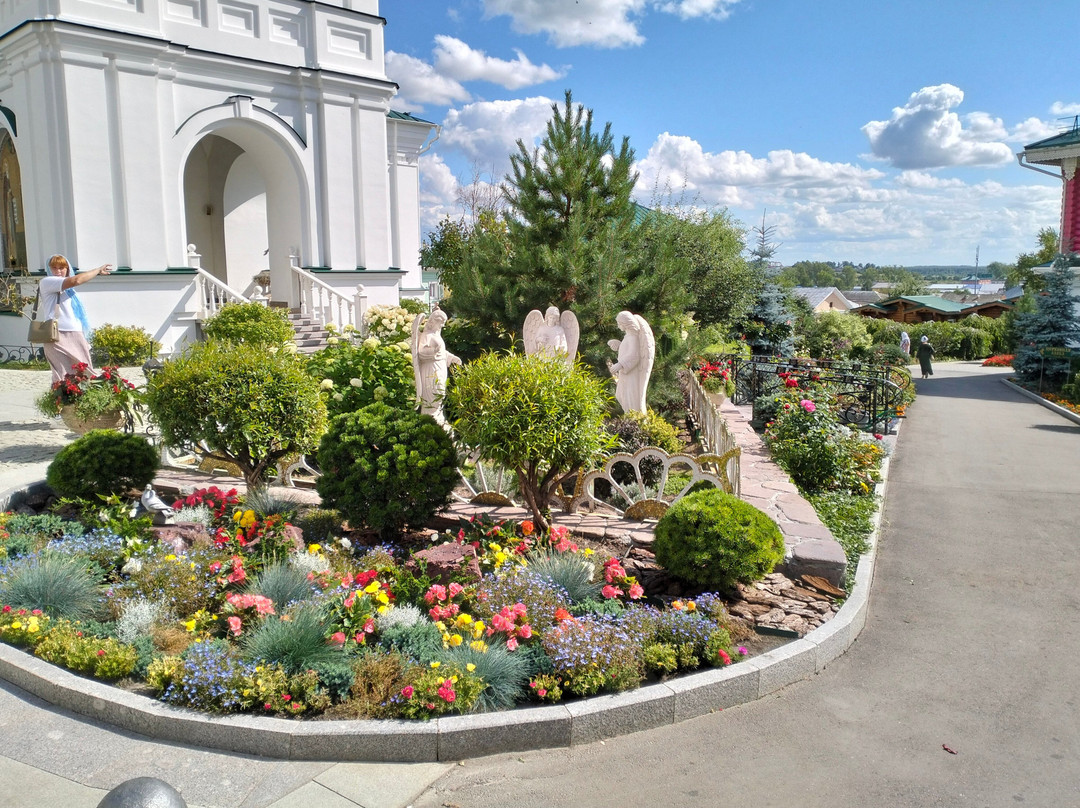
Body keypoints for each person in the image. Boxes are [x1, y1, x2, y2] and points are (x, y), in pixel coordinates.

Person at [36, 254, 112, 383]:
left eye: (62, 267)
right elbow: (76, 280)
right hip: (56, 334)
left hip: (74, 333)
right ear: (49, 269)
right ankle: (60, 402)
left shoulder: (69, 290)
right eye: (54, 268)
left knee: (85, 372)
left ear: (67, 268)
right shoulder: (48, 282)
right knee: (63, 376)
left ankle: (84, 402)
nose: (58, 271)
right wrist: (98, 270)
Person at [410, 309, 461, 425]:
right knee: (433, 393)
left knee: (440, 393)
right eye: (440, 322)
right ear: (433, 321)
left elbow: (442, 352)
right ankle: (431, 419)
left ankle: (438, 417)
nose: (442, 325)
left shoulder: (436, 335)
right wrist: (434, 350)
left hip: (440, 367)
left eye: (443, 322)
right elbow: (421, 352)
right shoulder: (426, 335)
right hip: (430, 369)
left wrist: (451, 357)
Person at [607, 311, 655, 414]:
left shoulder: (633, 337)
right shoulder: (629, 336)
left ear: (625, 324)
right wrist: (619, 345)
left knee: (630, 399)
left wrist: (620, 364)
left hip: (631, 375)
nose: (618, 326)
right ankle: (632, 420)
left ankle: (635, 420)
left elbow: (635, 356)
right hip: (627, 374)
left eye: (619, 323)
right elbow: (630, 351)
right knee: (622, 396)